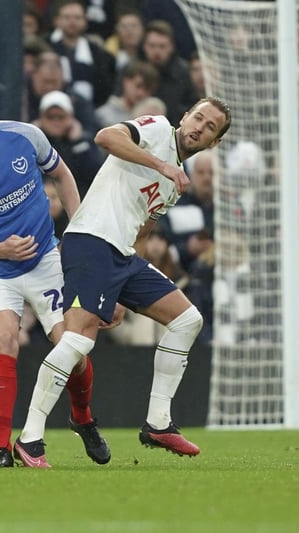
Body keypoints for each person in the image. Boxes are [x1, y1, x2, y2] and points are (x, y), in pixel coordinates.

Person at [15, 96, 232, 467]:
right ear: (185, 115)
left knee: (187, 320)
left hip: (123, 254)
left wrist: (120, 292)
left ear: (214, 143)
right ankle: (30, 438)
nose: (199, 126)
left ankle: (158, 423)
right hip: (91, 240)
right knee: (79, 340)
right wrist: (161, 164)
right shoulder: (159, 129)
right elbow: (106, 137)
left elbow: (143, 231)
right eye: (198, 117)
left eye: (210, 127)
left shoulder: (176, 180)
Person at [0, 81, 107, 468]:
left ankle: (83, 418)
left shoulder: (26, 136)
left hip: (46, 258)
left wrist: (76, 235)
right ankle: (0, 448)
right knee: (5, 339)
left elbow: (62, 176)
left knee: (72, 349)